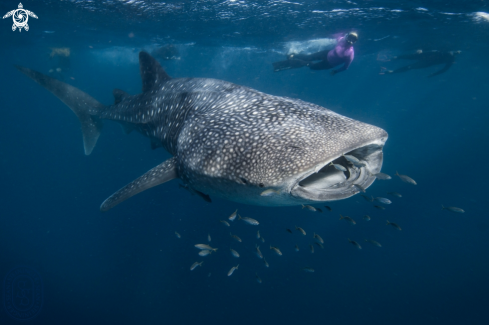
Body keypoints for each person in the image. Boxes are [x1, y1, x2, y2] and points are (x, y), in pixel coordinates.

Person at [273, 32, 358, 75]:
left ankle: (306, 63)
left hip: (329, 64)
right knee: (307, 57)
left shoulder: (350, 54)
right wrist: (330, 34)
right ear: (347, 36)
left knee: (312, 67)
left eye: (353, 40)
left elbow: (346, 67)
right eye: (350, 38)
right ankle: (293, 55)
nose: (350, 41)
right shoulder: (342, 39)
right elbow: (337, 36)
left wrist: (335, 71)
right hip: (326, 54)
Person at [385, 50, 461, 77]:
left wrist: (434, 74)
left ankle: (393, 64)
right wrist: (434, 74)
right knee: (410, 63)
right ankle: (394, 63)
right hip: (427, 58)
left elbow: (444, 69)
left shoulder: (451, 58)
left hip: (427, 59)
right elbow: (444, 69)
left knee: (410, 62)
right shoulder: (451, 58)